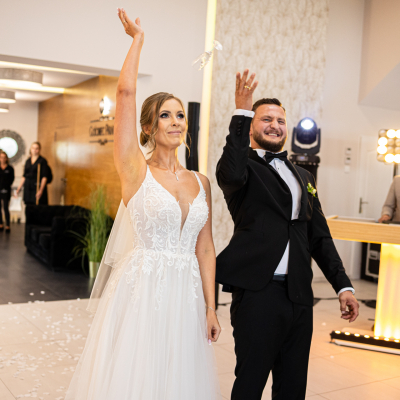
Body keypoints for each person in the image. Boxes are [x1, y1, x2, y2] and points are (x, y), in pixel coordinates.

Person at [65, 9, 221, 400]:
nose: (176, 121)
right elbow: (125, 95)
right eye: (165, 115)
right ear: (148, 127)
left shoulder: (201, 182)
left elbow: (205, 247)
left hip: (186, 293)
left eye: (180, 115)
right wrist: (138, 41)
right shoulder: (135, 170)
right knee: (138, 374)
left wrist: (211, 306)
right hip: (143, 290)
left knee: (177, 375)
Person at [215, 70, 360, 400]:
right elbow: (232, 171)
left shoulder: (304, 175)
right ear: (251, 126)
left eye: (281, 120)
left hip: (299, 294)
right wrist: (241, 110)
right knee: (250, 383)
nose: (275, 125)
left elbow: (319, 237)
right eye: (266, 119)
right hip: (258, 293)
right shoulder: (241, 169)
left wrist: (343, 286)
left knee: (293, 387)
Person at [0, 151, 15, 233]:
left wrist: (6, 185)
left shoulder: (10, 168)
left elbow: (11, 179)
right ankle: (1, 223)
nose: (2, 159)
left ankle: (8, 225)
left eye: (4, 157)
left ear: (6, 158)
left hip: (6, 189)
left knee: (5, 207)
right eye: (1, 157)